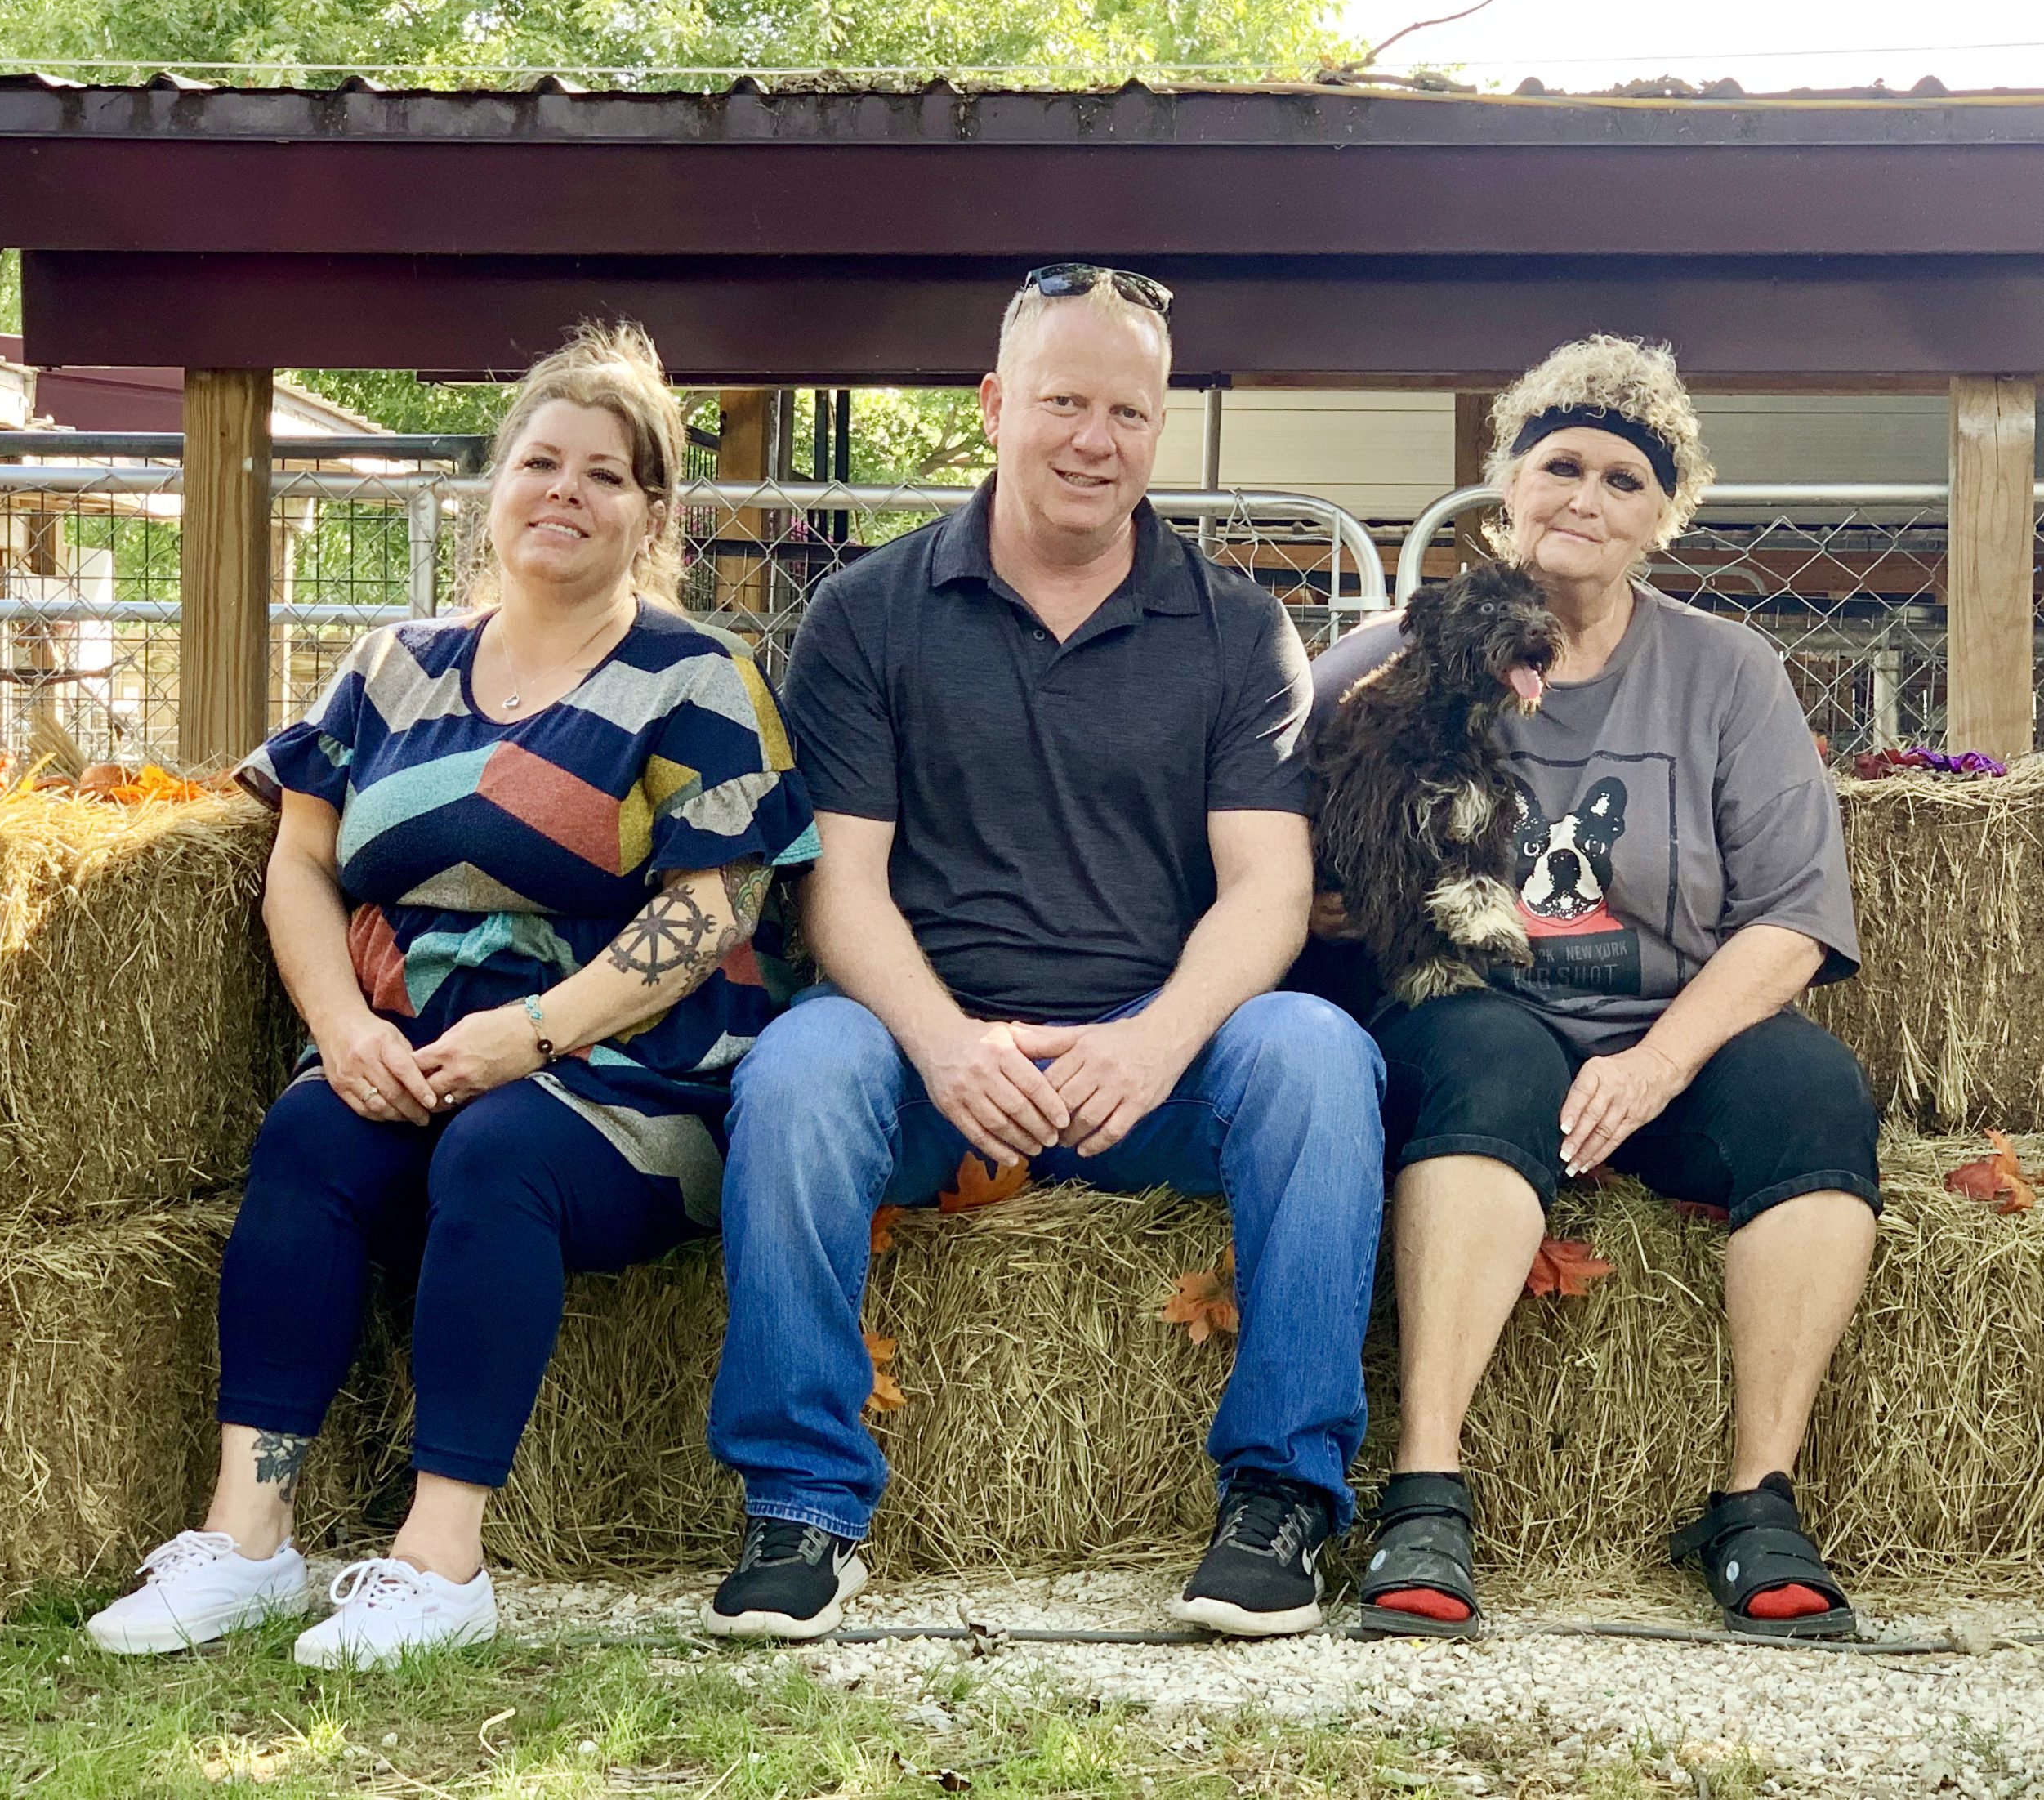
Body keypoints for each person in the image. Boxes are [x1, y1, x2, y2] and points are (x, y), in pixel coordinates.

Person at [86, 324, 817, 1668]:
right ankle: (247, 1538)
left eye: (607, 474)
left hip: (624, 1078)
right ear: (495, 487)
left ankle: (440, 1558)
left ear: (652, 512)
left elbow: (717, 904)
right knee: (309, 1132)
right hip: (404, 1051)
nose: (566, 492)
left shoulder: (696, 678)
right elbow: (299, 859)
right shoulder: (392, 664)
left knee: (497, 1148)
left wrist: (527, 1036)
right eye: (541, 461)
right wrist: (342, 1030)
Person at [704, 264, 1387, 1641]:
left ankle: (1281, 1496)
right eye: (1064, 401)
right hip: (924, 1049)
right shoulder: (866, 613)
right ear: (993, 405)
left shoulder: (1236, 626)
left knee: (1318, 1055)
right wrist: (947, 1044)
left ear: (1159, 430)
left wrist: (1156, 1041)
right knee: (793, 1070)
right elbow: (841, 889)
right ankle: (801, 1505)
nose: (1094, 439)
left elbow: (1265, 889)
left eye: (1127, 411)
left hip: (1155, 1055)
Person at [1303, 334, 1877, 1641]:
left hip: (1660, 1030)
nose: (1585, 496)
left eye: (1625, 478)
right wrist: (1310, 886)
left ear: (1662, 516)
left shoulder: (1729, 673)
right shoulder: (1398, 650)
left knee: (1811, 1089)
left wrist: (1658, 1061)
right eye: (1558, 463)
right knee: (1488, 1063)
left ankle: (1756, 1500)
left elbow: (1791, 917)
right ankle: (1425, 1491)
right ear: (1505, 482)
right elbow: (1261, 796)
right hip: (1476, 1011)